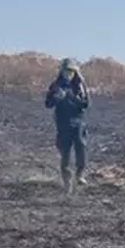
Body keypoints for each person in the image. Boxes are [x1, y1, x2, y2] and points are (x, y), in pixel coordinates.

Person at [45, 58, 90, 193]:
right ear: (62, 71)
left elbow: (86, 104)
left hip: (78, 122)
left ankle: (80, 174)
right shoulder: (55, 85)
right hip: (63, 123)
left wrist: (70, 96)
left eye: (71, 71)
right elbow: (48, 104)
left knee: (81, 147)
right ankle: (66, 180)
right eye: (66, 71)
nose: (68, 74)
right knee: (65, 152)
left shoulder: (80, 86)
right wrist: (57, 98)